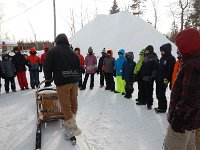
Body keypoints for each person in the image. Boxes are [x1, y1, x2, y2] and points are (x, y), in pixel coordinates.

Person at [163, 28, 200, 150]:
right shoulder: (192, 61)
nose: (178, 49)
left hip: (182, 124)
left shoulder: (193, 65)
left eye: (180, 46)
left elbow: (190, 98)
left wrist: (178, 118)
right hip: (191, 122)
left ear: (187, 45)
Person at [43, 33, 81, 140]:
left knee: (65, 105)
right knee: (74, 102)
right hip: (74, 81)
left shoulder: (53, 51)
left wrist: (48, 79)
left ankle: (72, 127)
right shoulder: (73, 52)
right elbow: (79, 66)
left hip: (63, 82)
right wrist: (77, 78)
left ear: (57, 41)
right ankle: (71, 120)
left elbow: (47, 66)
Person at [155, 43, 176, 113]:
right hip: (158, 79)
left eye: (163, 51)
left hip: (164, 80)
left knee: (161, 94)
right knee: (158, 93)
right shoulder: (162, 58)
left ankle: (163, 108)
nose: (161, 52)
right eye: (161, 51)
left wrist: (166, 81)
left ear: (167, 50)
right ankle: (160, 106)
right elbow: (159, 68)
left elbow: (170, 71)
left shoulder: (171, 59)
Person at [136, 45, 158, 110]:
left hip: (149, 77)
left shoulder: (154, 57)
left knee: (149, 91)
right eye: (146, 50)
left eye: (147, 50)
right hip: (143, 77)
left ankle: (149, 103)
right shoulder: (145, 57)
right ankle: (143, 101)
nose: (146, 51)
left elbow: (155, 68)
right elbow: (142, 67)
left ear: (150, 50)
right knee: (143, 90)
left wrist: (152, 77)